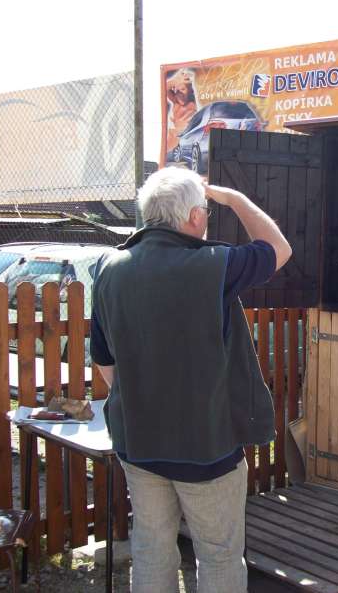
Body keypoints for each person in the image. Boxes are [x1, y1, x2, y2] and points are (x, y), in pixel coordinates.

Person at [90, 166, 292, 593]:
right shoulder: (214, 265)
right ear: (196, 216)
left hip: (138, 445)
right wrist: (232, 198)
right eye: (207, 212)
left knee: (151, 550)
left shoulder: (109, 267)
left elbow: (106, 363)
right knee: (218, 556)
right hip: (207, 448)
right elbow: (278, 248)